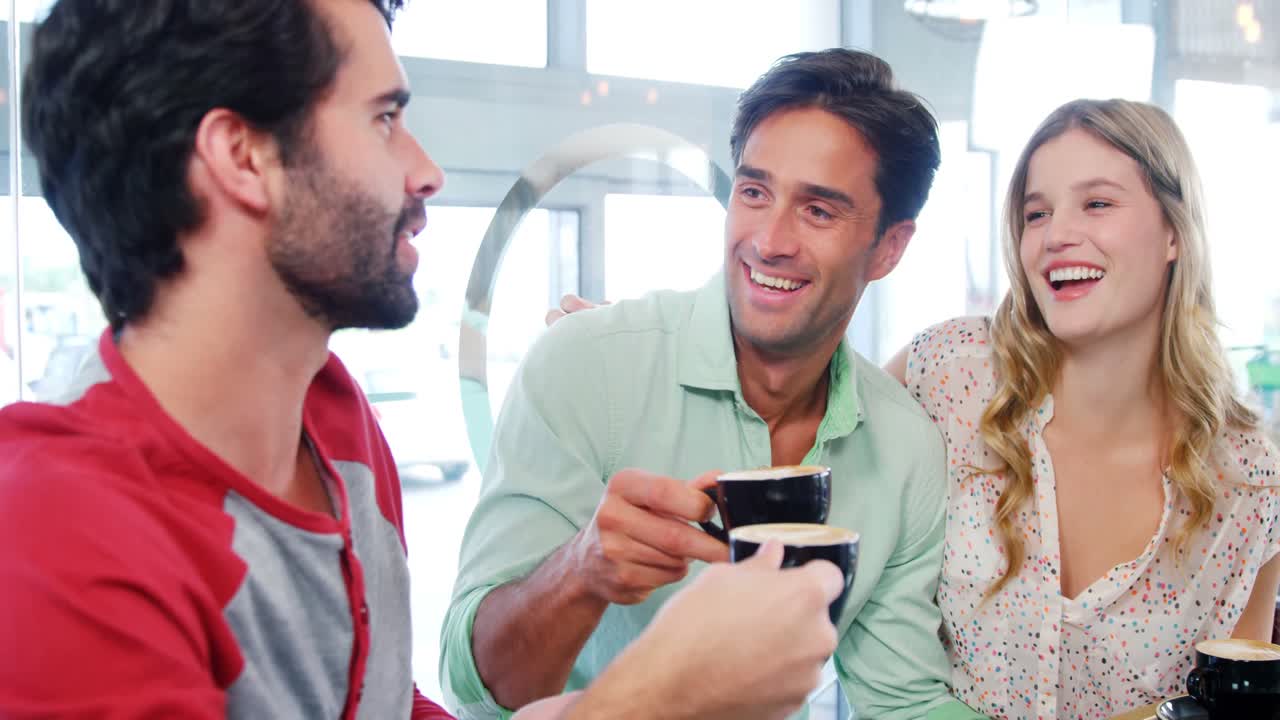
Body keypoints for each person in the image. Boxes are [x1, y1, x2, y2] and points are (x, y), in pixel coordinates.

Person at [0, 1, 846, 719]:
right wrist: (647, 698)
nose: (427, 170)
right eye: (384, 118)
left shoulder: (335, 425)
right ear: (242, 158)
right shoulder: (53, 545)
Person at [442, 49, 987, 720]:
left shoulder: (905, 448)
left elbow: (903, 704)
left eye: (818, 211)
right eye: (754, 192)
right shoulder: (582, 366)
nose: (770, 240)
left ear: (888, 248)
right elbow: (473, 688)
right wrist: (582, 571)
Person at [884, 99, 1280, 718]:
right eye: (1035, 213)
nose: (1055, 235)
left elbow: (1238, 705)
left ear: (1175, 232)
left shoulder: (1249, 478)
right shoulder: (947, 372)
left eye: (1097, 203)